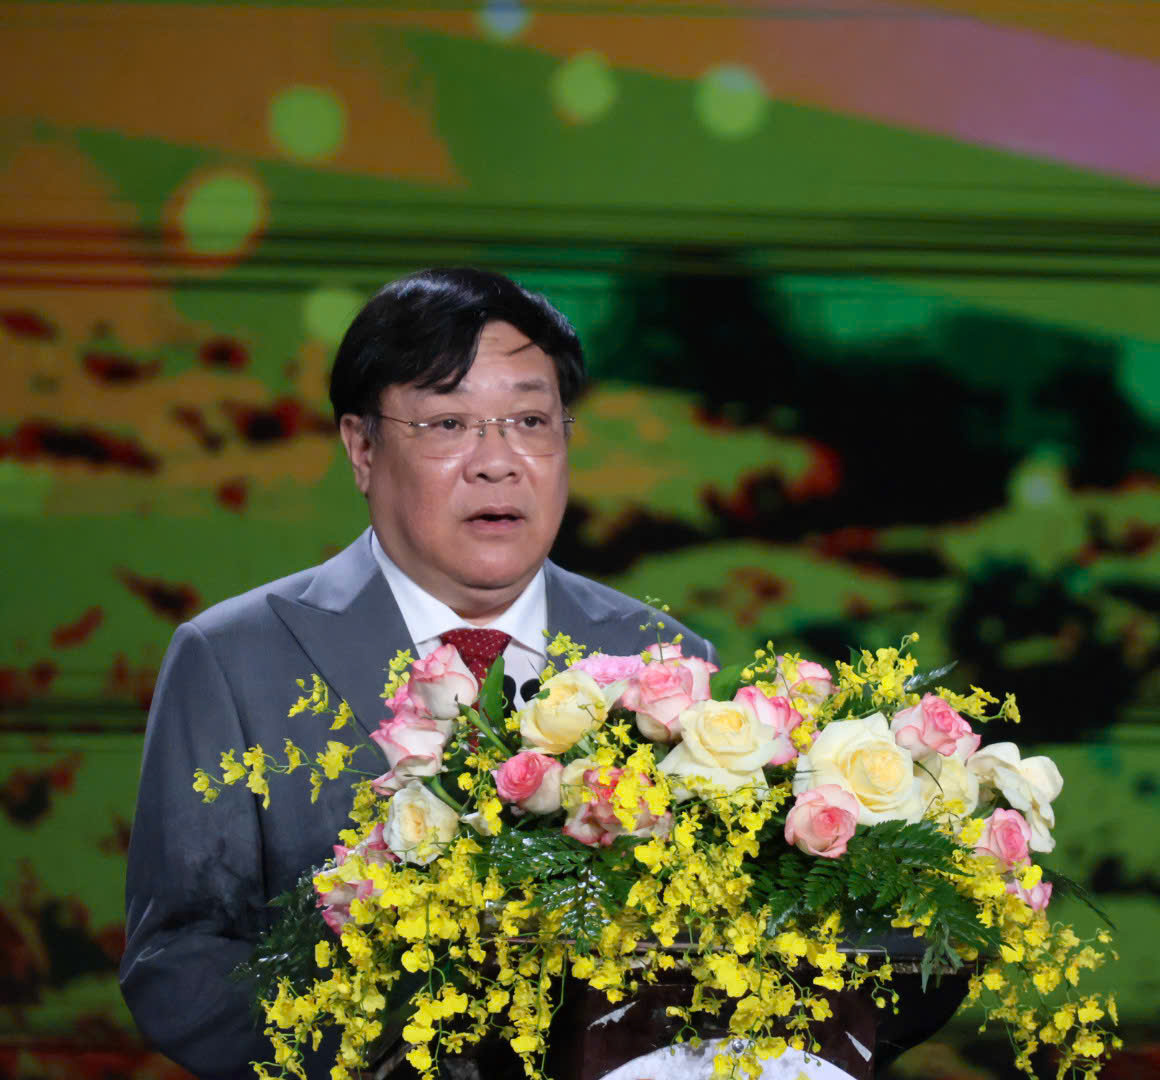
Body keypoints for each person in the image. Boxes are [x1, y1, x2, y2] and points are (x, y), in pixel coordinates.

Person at [119, 268, 715, 1080]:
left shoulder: (666, 661)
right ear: (362, 448)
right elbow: (177, 963)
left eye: (530, 421)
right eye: (448, 424)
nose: (497, 463)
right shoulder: (231, 659)